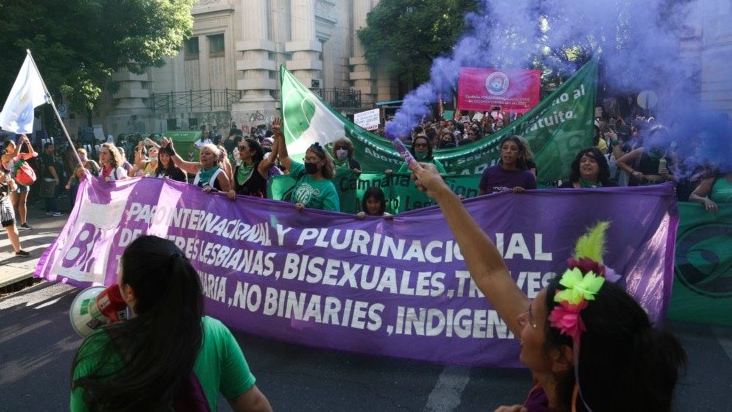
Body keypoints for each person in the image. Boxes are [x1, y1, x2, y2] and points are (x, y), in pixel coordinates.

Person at [408, 161, 686, 412]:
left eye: (530, 318)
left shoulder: (565, 372)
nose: (519, 318)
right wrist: (441, 192)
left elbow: (492, 275)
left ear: (561, 358)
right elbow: (492, 273)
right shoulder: (573, 371)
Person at [70, 235, 272, 412]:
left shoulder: (98, 348)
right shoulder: (212, 333)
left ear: (129, 292)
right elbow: (254, 404)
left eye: (121, 267)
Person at [272, 119, 340, 211]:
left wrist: (307, 211)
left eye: (313, 158)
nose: (308, 162)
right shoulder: (301, 171)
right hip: (292, 224)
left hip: (311, 225)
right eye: (307, 158)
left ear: (323, 162)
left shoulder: (328, 188)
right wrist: (280, 135)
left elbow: (330, 218)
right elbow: (283, 157)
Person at [166, 139, 231, 192]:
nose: (203, 155)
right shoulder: (198, 167)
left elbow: (228, 196)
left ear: (215, 158)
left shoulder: (220, 173)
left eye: (207, 153)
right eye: (202, 153)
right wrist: (171, 151)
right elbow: (181, 164)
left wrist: (215, 191)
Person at [2, 136, 36, 228]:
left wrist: (27, 142)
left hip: (23, 180)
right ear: (6, 147)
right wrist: (20, 142)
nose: (14, 146)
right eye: (11, 145)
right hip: (13, 181)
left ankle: (23, 223)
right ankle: (10, 222)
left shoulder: (20, 155)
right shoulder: (5, 157)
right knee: (13, 203)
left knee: (23, 202)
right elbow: (15, 153)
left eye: (14, 144)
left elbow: (32, 154)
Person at [40, 142, 63, 216]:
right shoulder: (47, 157)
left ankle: (49, 210)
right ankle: (54, 210)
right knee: (53, 195)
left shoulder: (49, 156)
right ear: (46, 149)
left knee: (48, 195)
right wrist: (56, 177)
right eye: (50, 147)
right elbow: (51, 168)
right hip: (50, 178)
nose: (52, 149)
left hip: (46, 177)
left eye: (53, 147)